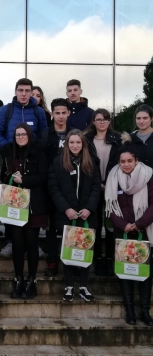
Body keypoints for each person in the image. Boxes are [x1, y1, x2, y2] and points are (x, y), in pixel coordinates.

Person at [48, 129, 100, 302]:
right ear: (66, 144)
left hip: (86, 215)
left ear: (83, 144)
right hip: (66, 215)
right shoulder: (57, 162)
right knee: (68, 250)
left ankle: (84, 286)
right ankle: (69, 286)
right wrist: (66, 209)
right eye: (72, 142)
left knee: (85, 250)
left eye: (78, 142)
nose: (75, 145)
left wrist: (89, 208)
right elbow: (53, 188)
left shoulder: (92, 162)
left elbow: (95, 188)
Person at [105, 144, 153, 326]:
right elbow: (110, 204)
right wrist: (123, 225)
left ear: (136, 161)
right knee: (125, 272)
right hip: (122, 230)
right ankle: (130, 311)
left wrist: (140, 224)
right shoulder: (113, 176)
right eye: (122, 161)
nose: (126, 164)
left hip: (144, 229)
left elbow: (152, 203)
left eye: (129, 161)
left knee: (144, 272)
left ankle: (144, 311)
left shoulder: (149, 175)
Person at [1, 123, 48, 299]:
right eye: (17, 134)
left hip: (33, 206)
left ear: (29, 135)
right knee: (18, 245)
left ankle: (31, 281)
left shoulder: (39, 152)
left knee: (31, 244)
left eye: (23, 134)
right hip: (14, 205)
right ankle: (19, 279)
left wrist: (24, 180)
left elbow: (43, 176)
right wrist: (10, 179)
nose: (20, 137)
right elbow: (4, 176)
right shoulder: (9, 153)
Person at [84, 109, 122, 277]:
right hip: (93, 188)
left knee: (112, 226)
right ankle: (98, 259)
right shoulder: (87, 140)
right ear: (93, 121)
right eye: (98, 119)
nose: (102, 122)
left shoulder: (118, 140)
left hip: (112, 189)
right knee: (96, 226)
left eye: (105, 119)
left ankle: (110, 260)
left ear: (109, 121)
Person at [43, 98, 72, 277]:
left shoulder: (75, 135)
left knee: (70, 225)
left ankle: (72, 261)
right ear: (52, 114)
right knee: (51, 227)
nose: (60, 116)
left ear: (68, 113)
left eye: (63, 113)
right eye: (57, 113)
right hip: (51, 187)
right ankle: (52, 260)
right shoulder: (46, 134)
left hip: (71, 187)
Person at [0, 78, 48, 150]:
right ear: (15, 92)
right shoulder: (4, 110)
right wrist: (6, 146)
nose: (23, 94)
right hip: (11, 155)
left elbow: (44, 134)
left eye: (27, 91)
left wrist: (36, 148)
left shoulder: (39, 111)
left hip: (33, 156)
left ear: (31, 93)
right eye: (20, 90)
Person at [131, 104, 153, 169]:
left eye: (145, 118)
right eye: (138, 118)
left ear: (151, 118)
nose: (141, 121)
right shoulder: (130, 140)